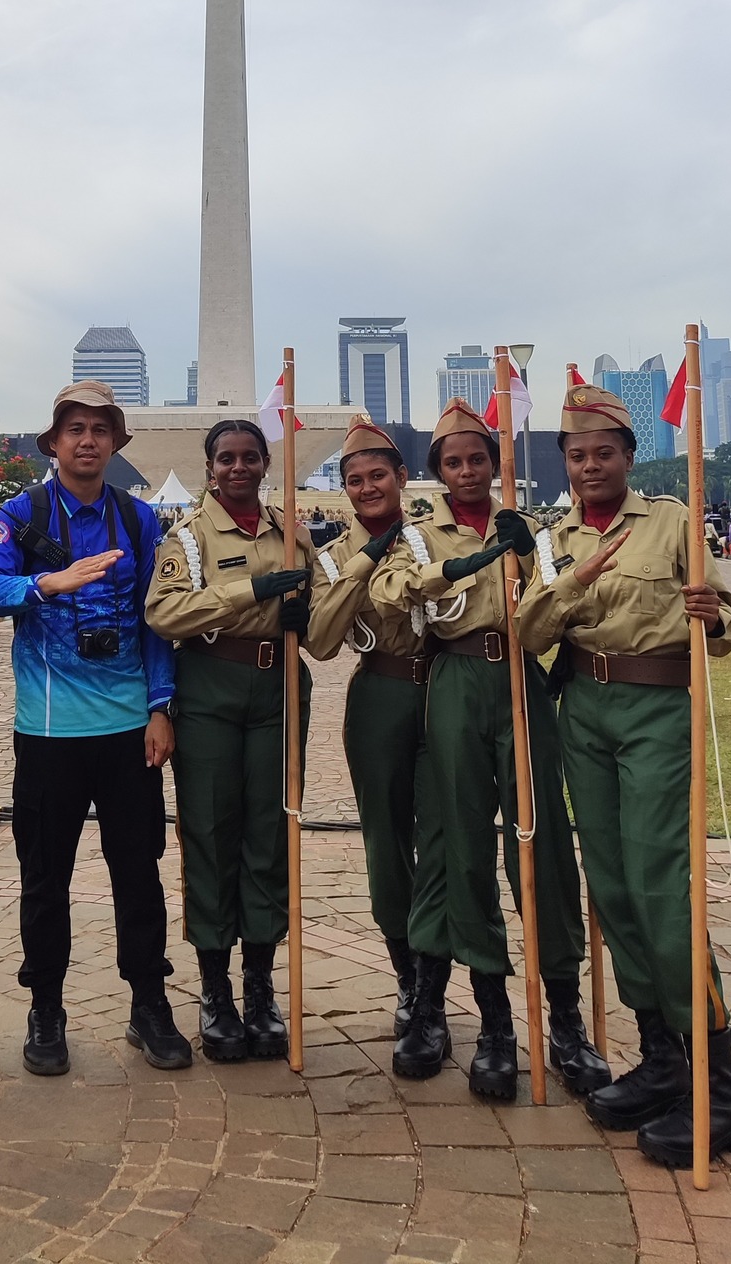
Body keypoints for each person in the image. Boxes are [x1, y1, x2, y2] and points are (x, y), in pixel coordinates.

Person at [516, 383, 731, 1166]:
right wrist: (573, 584)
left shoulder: (673, 519)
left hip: (658, 708)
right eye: (577, 455)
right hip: (584, 709)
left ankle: (719, 1092)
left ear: (627, 457)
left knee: (662, 888)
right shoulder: (554, 542)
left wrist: (710, 613)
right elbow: (527, 632)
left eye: (603, 453)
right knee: (613, 888)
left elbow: (722, 623)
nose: (590, 466)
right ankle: (661, 1062)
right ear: (566, 462)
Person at [369, 401, 607, 1100]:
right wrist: (465, 565)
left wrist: (528, 559)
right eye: (453, 462)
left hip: (521, 681)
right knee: (462, 845)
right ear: (436, 471)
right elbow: (390, 596)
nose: (467, 471)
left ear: (495, 464)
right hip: (455, 678)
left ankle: (565, 1021)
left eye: (477, 459)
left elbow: (558, 603)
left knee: (544, 842)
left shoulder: (532, 529)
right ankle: (496, 1024)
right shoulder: (418, 535)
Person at [0, 381, 189, 1075]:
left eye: (100, 429)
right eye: (75, 429)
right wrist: (44, 585)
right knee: (44, 877)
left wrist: (160, 707)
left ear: (115, 443)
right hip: (49, 729)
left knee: (138, 873)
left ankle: (149, 1002)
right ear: (55, 442)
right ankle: (46, 1009)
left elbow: (158, 619)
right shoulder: (21, 512)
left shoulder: (138, 519)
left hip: (128, 730)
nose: (88, 439)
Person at [144, 418, 315, 1064]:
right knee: (212, 834)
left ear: (266, 462)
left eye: (249, 457)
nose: (238, 468)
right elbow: (163, 613)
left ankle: (260, 986)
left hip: (275, 689)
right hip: (211, 686)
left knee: (269, 834)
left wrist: (304, 608)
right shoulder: (187, 540)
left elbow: (319, 623)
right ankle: (215, 990)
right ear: (208, 468)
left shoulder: (291, 535)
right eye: (226, 459)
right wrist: (252, 592)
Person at [304, 418, 446, 1051]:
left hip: (446, 690)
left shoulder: (433, 538)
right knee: (387, 843)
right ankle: (407, 979)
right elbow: (321, 639)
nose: (366, 488)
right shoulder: (334, 556)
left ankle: (438, 987)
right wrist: (364, 562)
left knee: (442, 839)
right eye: (354, 480)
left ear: (401, 478)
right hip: (381, 694)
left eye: (378, 476)